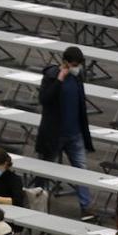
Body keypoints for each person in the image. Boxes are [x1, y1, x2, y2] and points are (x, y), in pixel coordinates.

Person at [35, 46, 94, 219]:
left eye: (79, 64)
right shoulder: (51, 76)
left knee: (81, 171)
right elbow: (44, 99)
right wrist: (59, 80)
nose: (77, 67)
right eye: (74, 64)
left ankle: (86, 208)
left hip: (75, 133)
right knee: (44, 172)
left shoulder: (77, 77)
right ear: (65, 63)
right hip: (54, 134)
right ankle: (37, 203)